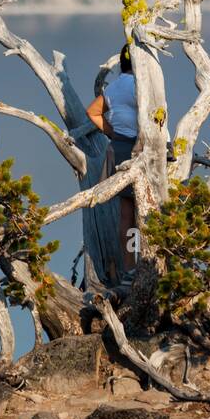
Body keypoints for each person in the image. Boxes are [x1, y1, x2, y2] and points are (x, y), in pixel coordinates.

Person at [87, 44, 139, 275]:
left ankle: (130, 268)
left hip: (119, 148)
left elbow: (92, 112)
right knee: (148, 211)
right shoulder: (144, 83)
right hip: (142, 150)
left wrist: (111, 132)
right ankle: (149, 265)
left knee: (126, 214)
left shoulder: (115, 87)